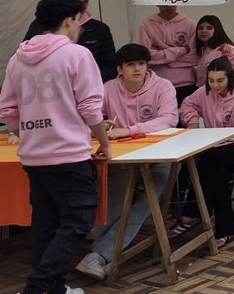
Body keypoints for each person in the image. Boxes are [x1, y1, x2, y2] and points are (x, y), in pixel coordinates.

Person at [0, 0, 113, 294]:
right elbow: (91, 106)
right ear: (70, 20)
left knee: (46, 222)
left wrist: (30, 129)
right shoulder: (77, 54)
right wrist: (103, 143)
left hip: (35, 155)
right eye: (80, 19)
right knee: (77, 219)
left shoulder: (18, 58)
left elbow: (5, 108)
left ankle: (56, 290)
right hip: (68, 152)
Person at [76, 43, 178, 280]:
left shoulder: (163, 86)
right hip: (122, 157)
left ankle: (100, 253)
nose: (137, 69)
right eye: (131, 65)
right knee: (120, 182)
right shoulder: (107, 88)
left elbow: (170, 119)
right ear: (120, 69)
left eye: (141, 64)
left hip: (161, 153)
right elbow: (86, 115)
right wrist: (99, 125)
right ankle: (98, 230)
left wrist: (130, 130)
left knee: (153, 190)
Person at [171, 58, 234, 247]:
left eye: (220, 81)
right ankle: (225, 228)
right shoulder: (205, 92)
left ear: (230, 78)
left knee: (208, 158)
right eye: (211, 80)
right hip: (219, 149)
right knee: (217, 172)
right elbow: (187, 104)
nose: (214, 85)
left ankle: (193, 212)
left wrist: (214, 143)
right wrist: (193, 122)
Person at [24, 0, 116, 82]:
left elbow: (111, 67)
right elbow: (28, 58)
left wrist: (85, 80)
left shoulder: (100, 29)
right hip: (49, 86)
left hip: (88, 89)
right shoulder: (41, 24)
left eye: (86, 1)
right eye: (77, 2)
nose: (82, 7)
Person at [138, 5, 199, 104]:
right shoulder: (146, 25)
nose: (168, 6)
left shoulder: (190, 25)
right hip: (157, 84)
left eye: (171, 2)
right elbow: (145, 57)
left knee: (187, 118)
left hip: (186, 84)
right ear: (156, 3)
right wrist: (181, 50)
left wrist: (162, 56)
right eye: (164, 2)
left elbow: (195, 57)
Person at [193, 15, 234, 86]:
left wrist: (231, 52)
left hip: (225, 94)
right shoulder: (202, 51)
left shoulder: (224, 49)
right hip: (208, 94)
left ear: (217, 30)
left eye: (209, 28)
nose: (204, 31)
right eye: (200, 28)